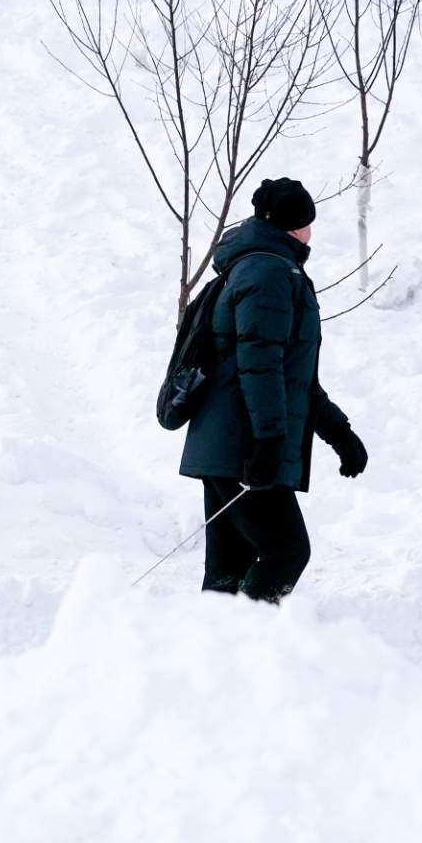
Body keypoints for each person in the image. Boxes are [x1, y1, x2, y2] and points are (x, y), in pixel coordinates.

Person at [178, 178, 369, 602]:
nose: (311, 231)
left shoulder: (263, 268)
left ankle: (209, 657)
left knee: (228, 572)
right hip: (242, 445)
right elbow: (260, 366)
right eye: (306, 222)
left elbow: (291, 377)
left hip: (226, 443)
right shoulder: (268, 274)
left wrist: (339, 432)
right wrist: (266, 440)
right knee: (286, 552)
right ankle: (244, 648)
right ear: (290, 226)